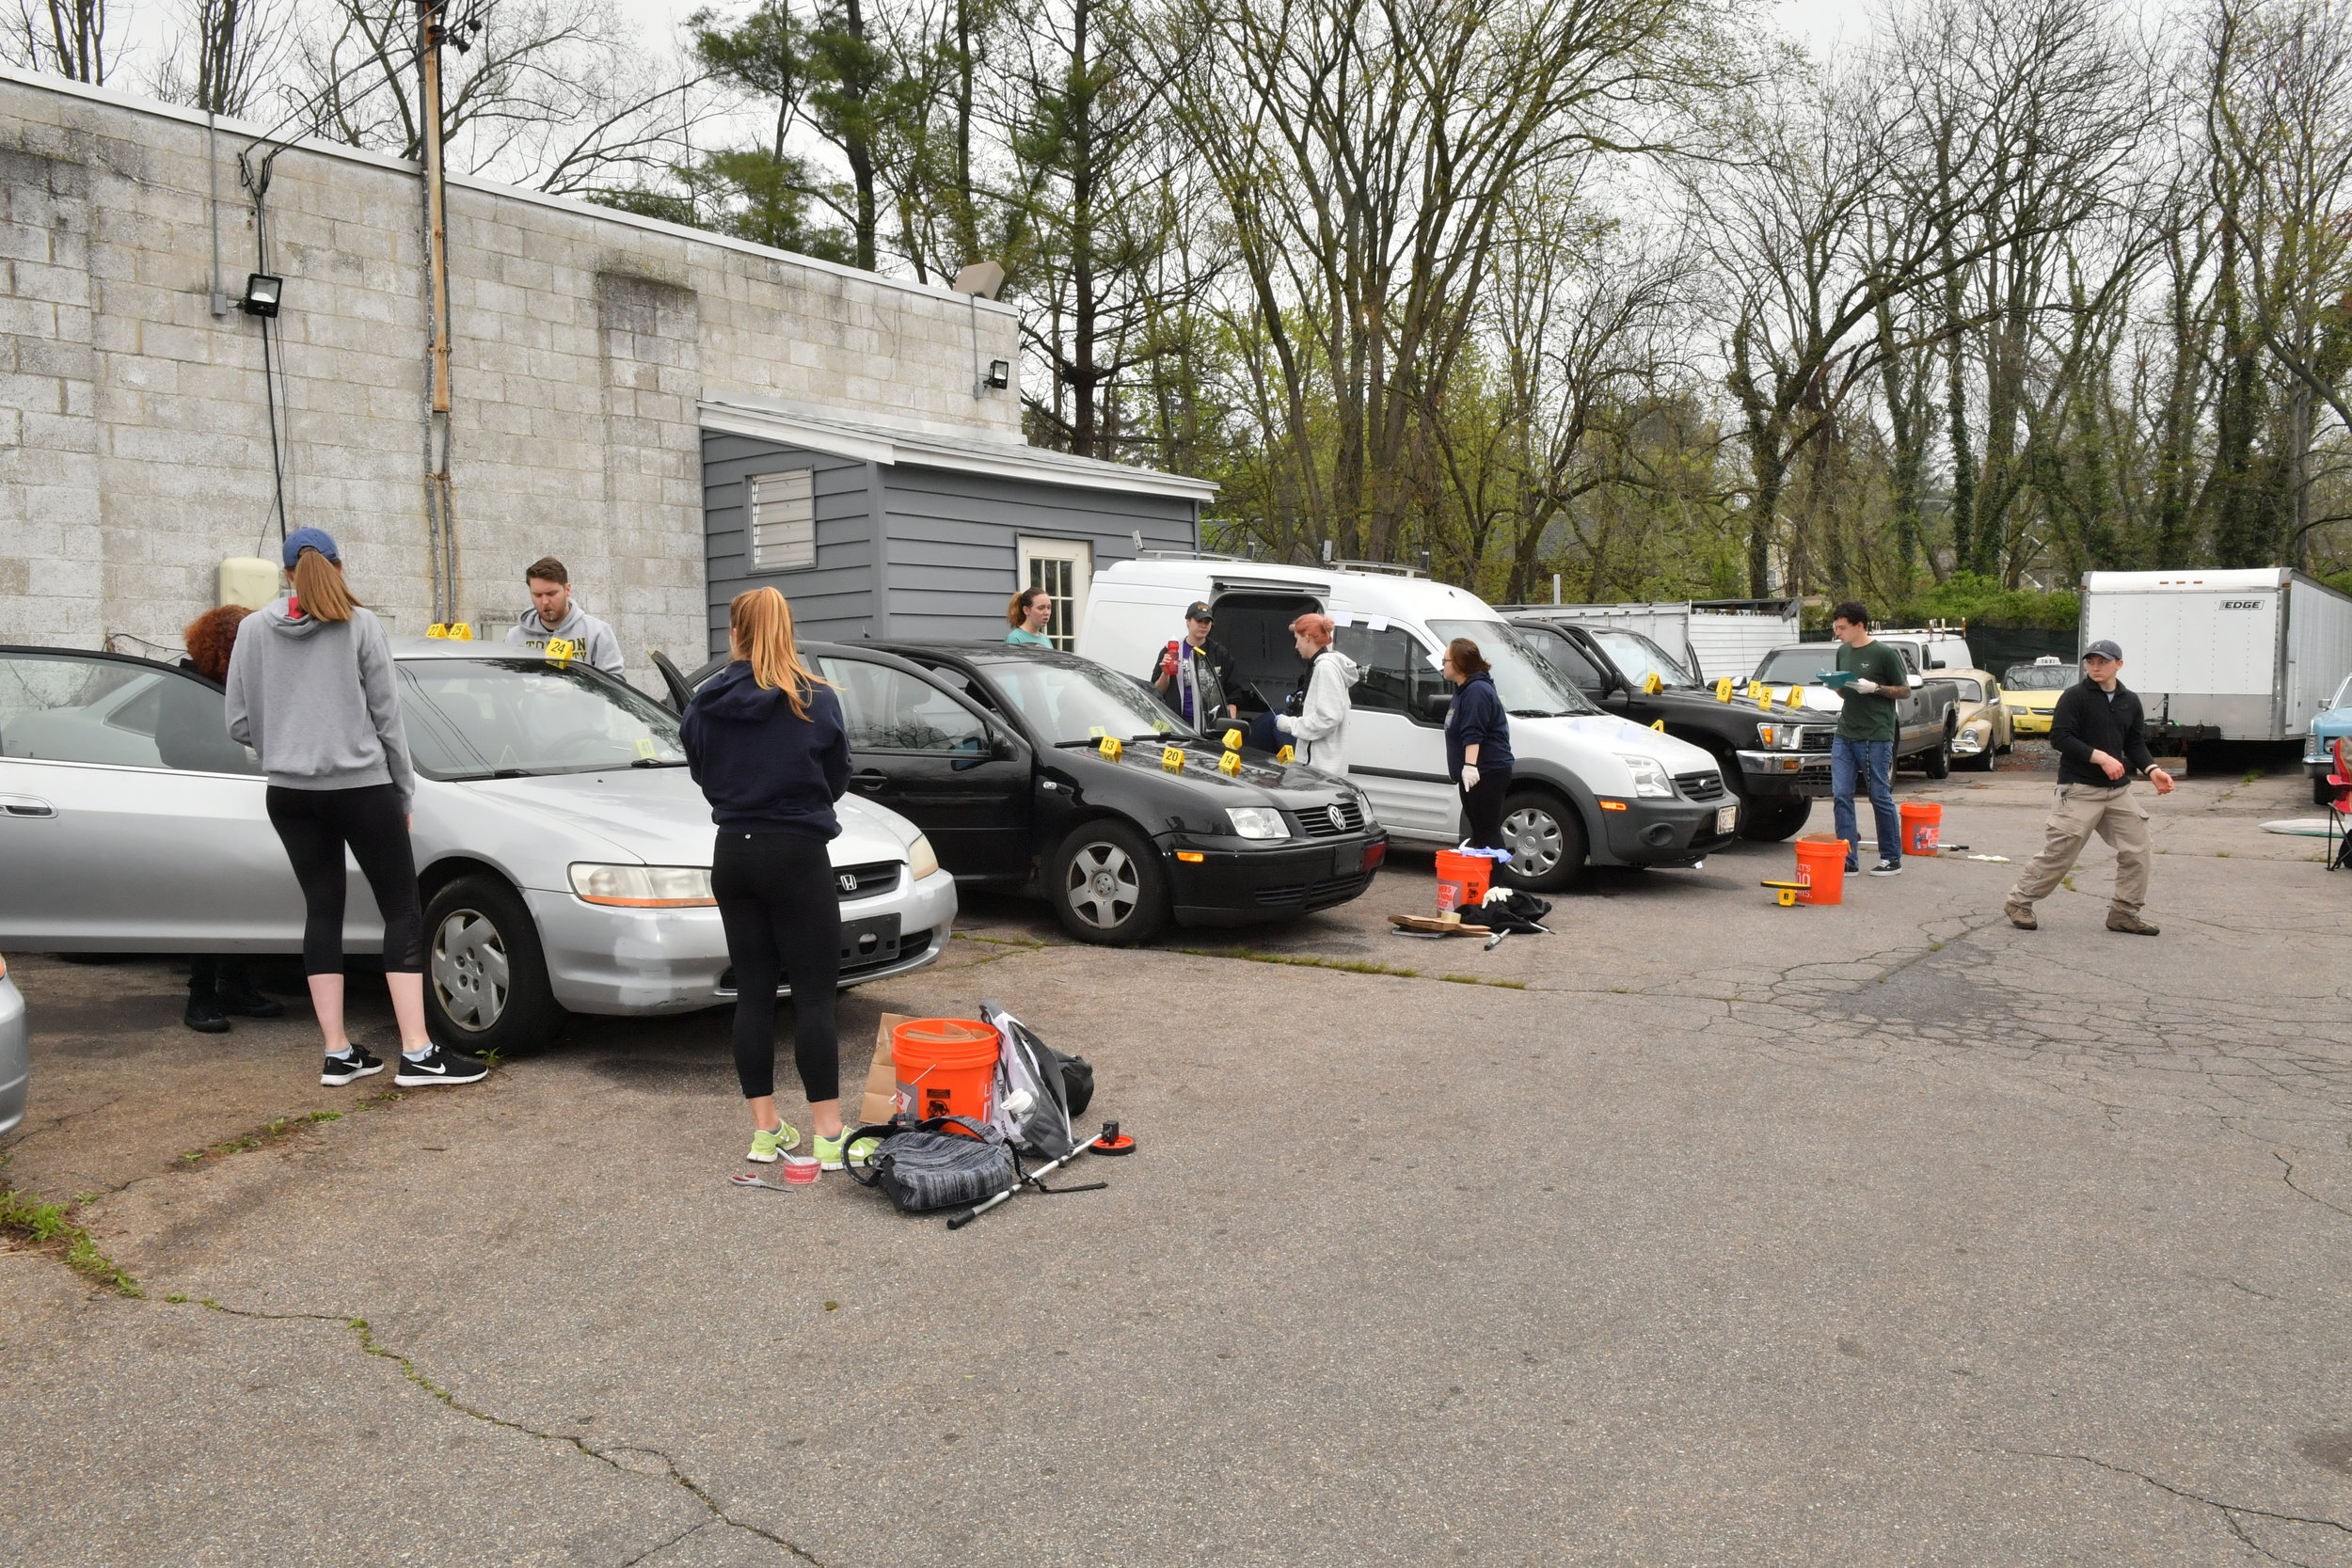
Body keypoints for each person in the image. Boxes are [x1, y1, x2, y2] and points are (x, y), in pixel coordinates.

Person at [225, 528, 486, 1088]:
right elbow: (388, 717)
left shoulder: (251, 630)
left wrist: (286, 747)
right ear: (339, 568)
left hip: (290, 794)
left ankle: (337, 1052)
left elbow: (238, 722)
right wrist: (404, 792)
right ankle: (417, 1053)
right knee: (401, 909)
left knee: (323, 910)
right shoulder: (361, 626)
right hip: (361, 790)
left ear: (287, 573)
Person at [682, 586, 872, 1171]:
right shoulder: (813, 699)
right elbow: (837, 774)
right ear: (786, 629)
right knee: (815, 996)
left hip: (732, 854)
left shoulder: (704, 701)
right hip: (796, 851)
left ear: (735, 632)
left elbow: (700, 770)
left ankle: (766, 1132)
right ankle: (828, 1136)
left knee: (754, 993)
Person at [169, 604, 286, 1035]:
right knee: (209, 898)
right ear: (224, 650)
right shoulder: (186, 685)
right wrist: (237, 756)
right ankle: (200, 994)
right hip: (204, 804)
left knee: (242, 892)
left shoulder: (253, 682)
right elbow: (173, 747)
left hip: (248, 800)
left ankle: (236, 984)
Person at [2006, 640, 2174, 935]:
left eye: (2103, 662)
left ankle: (2124, 913)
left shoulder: (2129, 700)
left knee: (2138, 851)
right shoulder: (2075, 696)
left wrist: (2153, 769)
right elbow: (2059, 738)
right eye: (2091, 662)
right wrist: (2100, 757)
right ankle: (2019, 903)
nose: (2095, 667)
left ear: (2118, 664)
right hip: (2079, 789)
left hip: (2117, 792)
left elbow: (2134, 742)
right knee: (2060, 855)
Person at [1828, 601, 1910, 878]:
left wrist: (1875, 687)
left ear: (1859, 625)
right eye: (1836, 627)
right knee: (1841, 794)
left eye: (1842, 627)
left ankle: (1891, 857)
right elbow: (1844, 693)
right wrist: (1838, 686)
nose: (1838, 633)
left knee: (1878, 795)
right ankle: (1848, 857)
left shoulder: (1883, 653)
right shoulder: (1842, 651)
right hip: (1846, 731)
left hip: (1875, 734)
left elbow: (1904, 690)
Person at [1267, 612, 1359, 773]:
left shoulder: (1325, 667)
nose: (1296, 646)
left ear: (1308, 637)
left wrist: (1288, 724)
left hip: (1319, 770)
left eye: (1297, 639)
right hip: (1323, 766)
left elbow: (1327, 719)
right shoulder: (1327, 665)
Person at [1443, 638, 1512, 849]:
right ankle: (1481, 880)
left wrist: (1470, 766)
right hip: (1475, 772)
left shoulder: (1477, 691)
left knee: (1487, 831)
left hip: (1486, 771)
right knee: (1479, 834)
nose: (1442, 665)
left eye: (1445, 660)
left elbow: (1474, 731)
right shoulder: (1463, 690)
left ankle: (1495, 881)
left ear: (1459, 663)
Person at [506, 556, 624, 677]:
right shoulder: (515, 637)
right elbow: (508, 683)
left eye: (551, 594)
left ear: (567, 589)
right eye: (537, 595)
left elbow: (615, 685)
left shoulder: (597, 632)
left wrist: (574, 688)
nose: (545, 601)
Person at [1148, 602, 1238, 723]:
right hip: (1176, 725)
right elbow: (1156, 692)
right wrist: (1166, 673)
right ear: (1188, 622)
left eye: (1207, 622)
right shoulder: (1171, 649)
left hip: (1209, 726)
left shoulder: (1220, 653)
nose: (1203, 625)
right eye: (1199, 621)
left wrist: (1230, 725)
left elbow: (1232, 696)